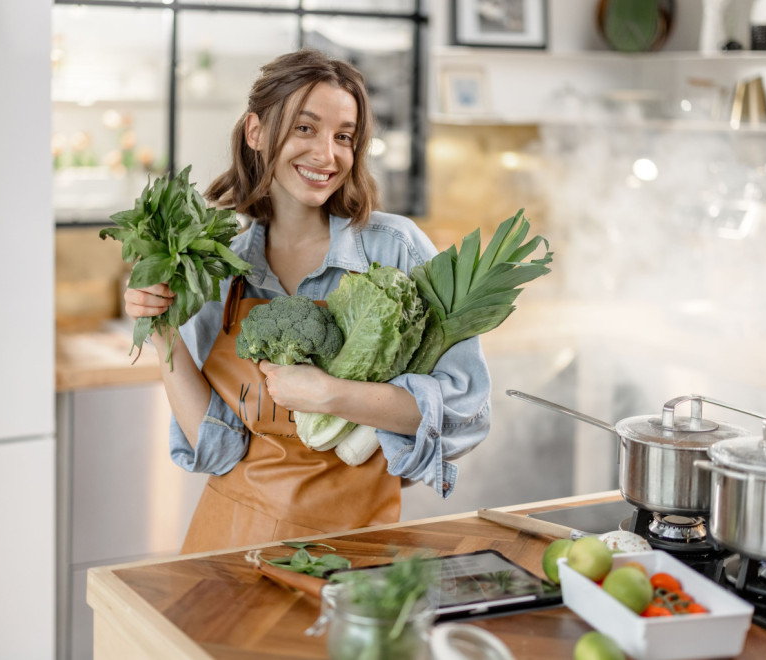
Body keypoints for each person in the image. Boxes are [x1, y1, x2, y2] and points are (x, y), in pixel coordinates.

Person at [123, 49, 491, 554]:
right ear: (255, 131)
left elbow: (465, 411)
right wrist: (161, 326)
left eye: (344, 136)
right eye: (305, 128)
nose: (327, 154)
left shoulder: (395, 249)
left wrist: (330, 395)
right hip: (231, 545)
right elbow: (216, 446)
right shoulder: (221, 265)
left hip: (353, 551)